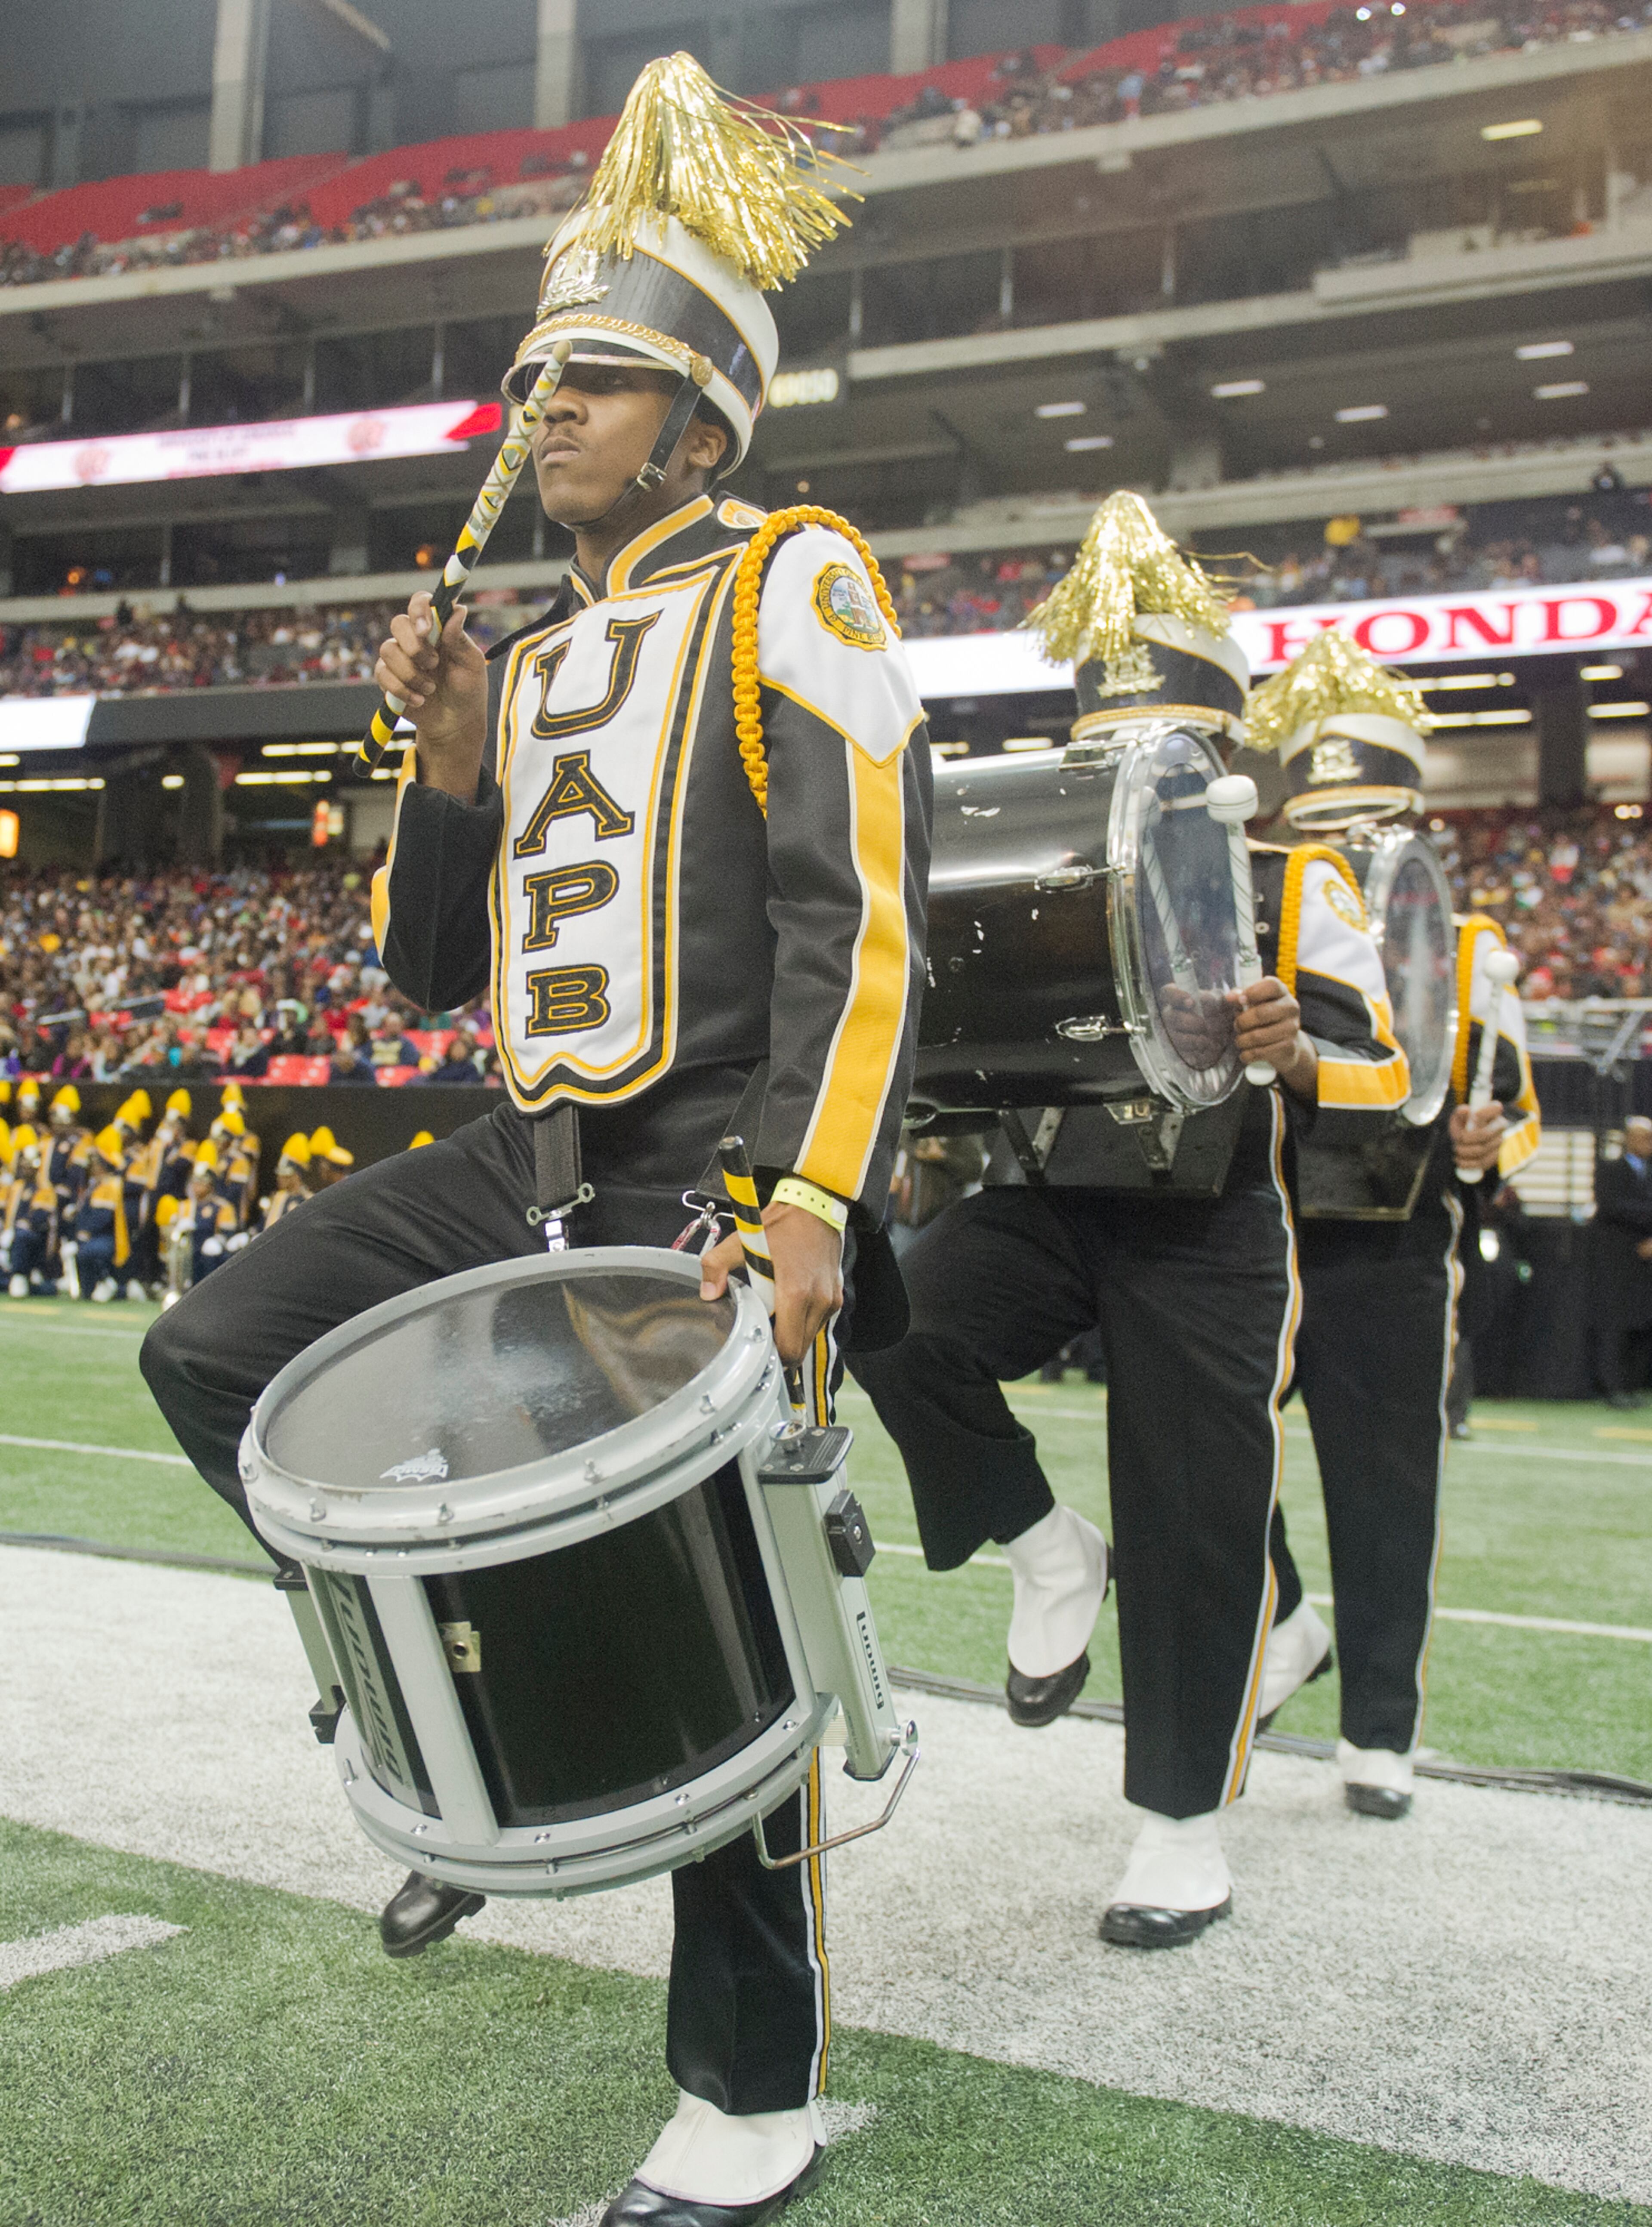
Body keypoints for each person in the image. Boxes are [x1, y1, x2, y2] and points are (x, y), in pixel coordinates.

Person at [141, 53, 927, 2227]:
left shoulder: (795, 579)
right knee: (215, 1357)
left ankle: (749, 2090)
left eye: (595, 378)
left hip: (705, 1159)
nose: (546, 409)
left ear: (702, 420)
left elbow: (854, 917)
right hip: (526, 1151)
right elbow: (418, 978)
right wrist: (456, 760)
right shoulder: (533, 643)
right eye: (531, 382)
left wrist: (807, 1195)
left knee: (732, 1598)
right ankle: (414, 1704)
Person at [851, 493, 1406, 1950]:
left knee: (1191, 1503)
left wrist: (1292, 1046)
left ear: (1226, 759)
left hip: (1215, 1221)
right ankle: (1044, 1546)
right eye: (1103, 746)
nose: (1128, 769)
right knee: (893, 1317)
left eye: (1164, 746)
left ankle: (1178, 1825)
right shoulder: (1045, 872)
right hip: (1049, 1190)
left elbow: (1388, 1071)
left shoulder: (1301, 881)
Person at [1243, 637, 1539, 1819]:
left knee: (1385, 1486)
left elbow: (1517, 1110)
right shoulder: (1262, 915)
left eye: (1371, 817)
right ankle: (1284, 1620)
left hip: (1399, 1238)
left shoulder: (1469, 950)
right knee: (1202, 1455)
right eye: (1328, 819)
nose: (1352, 843)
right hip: (1260, 1228)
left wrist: (1486, 1140)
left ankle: (1380, 1729)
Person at [1591, 1114, 1652, 1408]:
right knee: (1615, 1325)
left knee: (1641, 1325)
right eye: (1643, 1137)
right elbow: (1613, 1206)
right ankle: (1612, 1388)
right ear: (1628, 1138)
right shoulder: (1610, 1169)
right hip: (1617, 1262)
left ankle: (1633, 1385)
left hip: (1646, 1265)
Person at [71, 1127, 132, 1301]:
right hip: (94, 1234)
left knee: (89, 1251)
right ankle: (89, 1289)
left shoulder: (110, 1185)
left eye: (96, 1162)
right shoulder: (95, 1184)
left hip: (107, 1236)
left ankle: (107, 1282)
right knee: (80, 1251)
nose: (92, 1166)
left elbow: (103, 1218)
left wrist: (86, 1232)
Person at [2, 1126, 57, 1296]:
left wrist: (18, 1228)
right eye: (24, 1164)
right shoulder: (17, 1186)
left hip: (35, 1239)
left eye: (29, 1165)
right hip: (12, 1234)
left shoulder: (45, 1188)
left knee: (23, 1235)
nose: (25, 1168)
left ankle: (21, 1276)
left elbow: (39, 1219)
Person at [259, 1134, 314, 1230]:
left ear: (296, 1176)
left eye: (286, 1175)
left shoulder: (308, 1200)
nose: (280, 1178)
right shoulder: (277, 1197)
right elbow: (263, 1225)